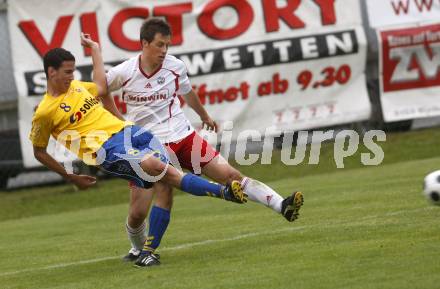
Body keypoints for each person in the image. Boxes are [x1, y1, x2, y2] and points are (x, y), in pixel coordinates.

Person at [29, 34, 248, 267]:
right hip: (107, 150)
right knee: (156, 174)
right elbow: (39, 152)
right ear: (51, 72)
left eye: (73, 71)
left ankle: (146, 251)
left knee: (164, 181)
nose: (72, 76)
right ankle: (225, 192)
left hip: (131, 132)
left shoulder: (77, 88)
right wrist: (69, 176)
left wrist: (94, 49)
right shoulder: (44, 112)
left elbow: (102, 87)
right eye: (67, 72)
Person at [103, 18, 304, 267]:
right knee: (137, 214)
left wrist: (204, 116)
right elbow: (100, 89)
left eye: (167, 45)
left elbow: (187, 92)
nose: (164, 51)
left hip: (184, 136)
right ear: (144, 43)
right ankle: (138, 248)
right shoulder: (124, 71)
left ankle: (280, 204)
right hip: (150, 146)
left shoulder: (175, 66)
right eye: (159, 45)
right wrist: (121, 122)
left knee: (229, 174)